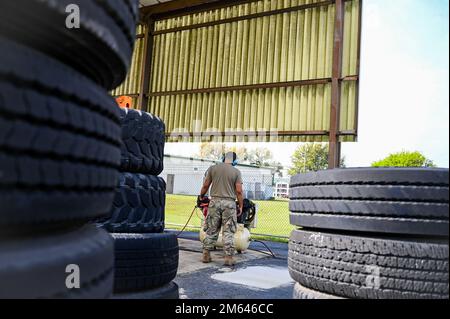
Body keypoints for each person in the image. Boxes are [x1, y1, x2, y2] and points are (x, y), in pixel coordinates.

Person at [198, 152, 244, 266]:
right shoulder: (236, 172)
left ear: (223, 158)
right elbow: (239, 191)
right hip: (229, 203)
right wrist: (241, 205)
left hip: (214, 202)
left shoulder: (213, 169)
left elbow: (205, 185)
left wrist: (201, 196)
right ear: (234, 160)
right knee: (228, 230)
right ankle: (228, 257)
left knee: (211, 229)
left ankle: (206, 254)